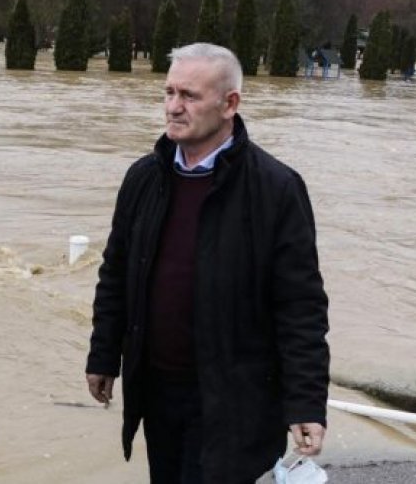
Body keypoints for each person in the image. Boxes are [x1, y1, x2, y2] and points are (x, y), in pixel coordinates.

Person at [86, 43, 329, 483]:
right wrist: (103, 354)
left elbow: (301, 307)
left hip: (236, 400)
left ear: (229, 103)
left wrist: (306, 402)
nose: (173, 107)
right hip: (158, 392)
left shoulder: (276, 189)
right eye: (169, 92)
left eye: (189, 96)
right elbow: (116, 273)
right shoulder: (144, 178)